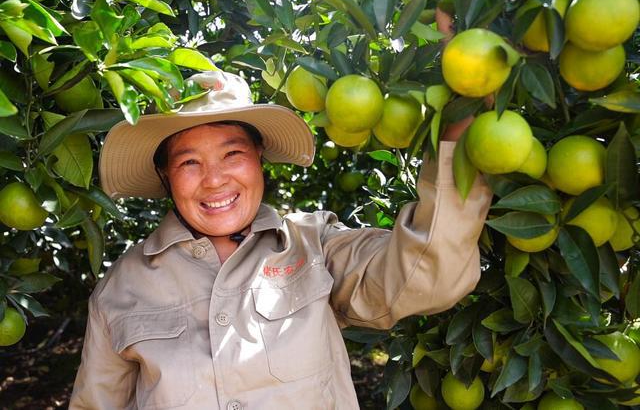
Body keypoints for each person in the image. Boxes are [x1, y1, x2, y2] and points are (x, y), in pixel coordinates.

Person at [69, 69, 492, 409]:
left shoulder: (314, 246)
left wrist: (463, 106)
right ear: (166, 177)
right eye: (189, 162)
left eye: (232, 154)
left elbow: (425, 275)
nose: (214, 180)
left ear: (259, 159)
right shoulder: (122, 289)